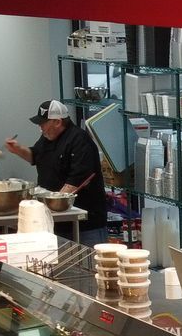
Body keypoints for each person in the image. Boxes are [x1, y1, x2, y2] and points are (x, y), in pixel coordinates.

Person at [6, 100, 109, 245]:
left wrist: (52, 203)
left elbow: (76, 180)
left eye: (43, 123)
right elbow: (35, 155)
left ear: (57, 122)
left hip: (84, 223)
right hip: (58, 218)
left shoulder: (80, 140)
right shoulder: (47, 137)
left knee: (88, 265)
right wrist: (18, 149)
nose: (40, 127)